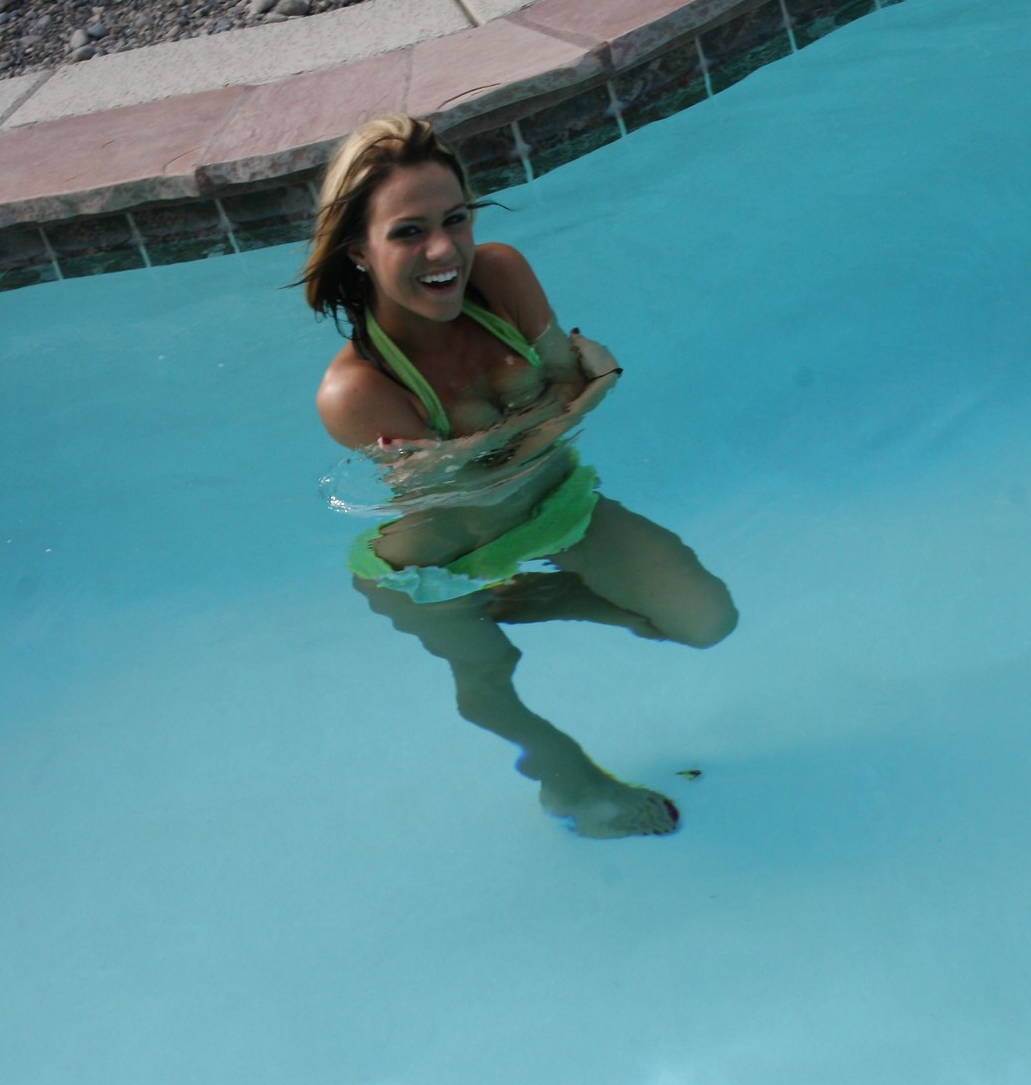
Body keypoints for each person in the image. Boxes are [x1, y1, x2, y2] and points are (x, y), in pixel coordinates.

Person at [303, 113, 737, 838]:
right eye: (408, 231)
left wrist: (526, 425)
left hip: (557, 505)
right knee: (488, 677)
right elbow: (490, 476)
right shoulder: (353, 391)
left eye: (456, 219)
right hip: (437, 566)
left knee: (706, 620)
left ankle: (546, 596)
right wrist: (586, 398)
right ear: (357, 250)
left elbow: (528, 427)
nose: (444, 250)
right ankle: (572, 786)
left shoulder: (500, 274)